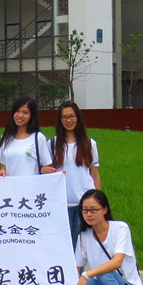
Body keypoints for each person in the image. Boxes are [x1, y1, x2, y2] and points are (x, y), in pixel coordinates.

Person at [0, 95, 54, 285]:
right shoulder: (7, 138)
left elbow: (47, 167)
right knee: (9, 248)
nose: (20, 115)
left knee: (26, 248)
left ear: (32, 116)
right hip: (9, 204)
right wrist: (2, 172)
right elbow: (3, 166)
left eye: (25, 112)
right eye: (17, 111)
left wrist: (49, 172)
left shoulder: (38, 138)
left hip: (29, 204)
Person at [63, 189, 142, 285]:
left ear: (105, 210)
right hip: (100, 282)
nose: (89, 214)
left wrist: (87, 275)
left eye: (94, 210)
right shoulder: (84, 235)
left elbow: (117, 262)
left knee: (105, 275)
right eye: (85, 210)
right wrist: (73, 283)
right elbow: (76, 266)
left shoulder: (120, 228)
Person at [42, 101, 101, 250]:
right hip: (62, 202)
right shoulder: (52, 144)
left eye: (72, 116)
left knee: (82, 244)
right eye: (64, 117)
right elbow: (47, 171)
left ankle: (81, 267)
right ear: (60, 121)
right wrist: (43, 170)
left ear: (78, 118)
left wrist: (98, 200)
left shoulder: (89, 143)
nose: (68, 120)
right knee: (66, 244)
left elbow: (94, 174)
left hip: (84, 202)